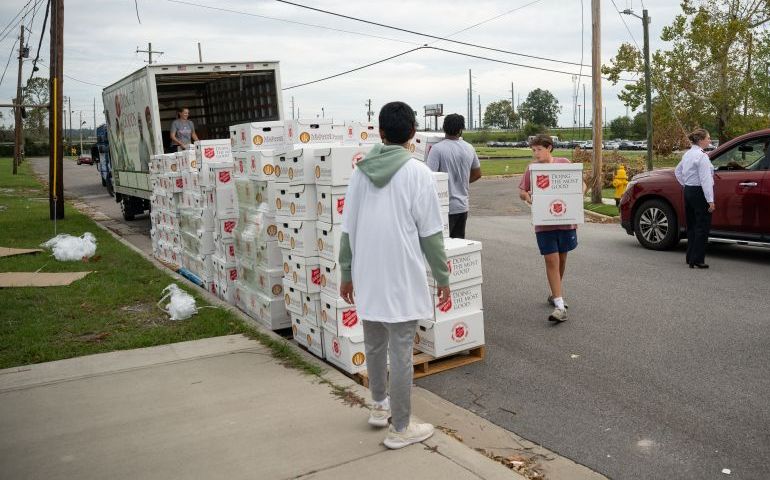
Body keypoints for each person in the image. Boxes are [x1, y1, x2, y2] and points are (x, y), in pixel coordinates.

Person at [339, 101, 451, 450]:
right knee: (401, 351)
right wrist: (443, 278)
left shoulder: (360, 171)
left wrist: (346, 272)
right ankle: (400, 428)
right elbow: (430, 234)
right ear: (413, 135)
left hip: (367, 271)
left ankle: (378, 405)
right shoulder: (418, 174)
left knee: (374, 342)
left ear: (381, 132)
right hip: (401, 272)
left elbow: (348, 228)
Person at [518, 134, 584, 323]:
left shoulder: (564, 163)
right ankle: (560, 306)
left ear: (550, 148)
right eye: (533, 150)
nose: (536, 153)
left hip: (566, 222)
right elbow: (522, 190)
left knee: (561, 259)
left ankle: (555, 293)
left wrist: (580, 192)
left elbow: (580, 184)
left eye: (539, 149)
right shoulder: (532, 169)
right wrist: (526, 196)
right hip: (543, 223)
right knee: (551, 260)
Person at [426, 113, 482, 238]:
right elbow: (477, 174)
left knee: (443, 246)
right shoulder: (469, 148)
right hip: (462, 206)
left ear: (444, 128)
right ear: (461, 130)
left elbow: (429, 177)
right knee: (458, 246)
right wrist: (462, 182)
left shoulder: (437, 149)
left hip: (443, 207)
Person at [675, 128, 715, 269]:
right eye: (708, 138)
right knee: (702, 226)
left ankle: (690, 257)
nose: (709, 140)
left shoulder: (687, 155)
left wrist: (686, 184)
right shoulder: (702, 156)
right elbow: (706, 180)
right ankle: (697, 259)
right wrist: (710, 200)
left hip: (688, 191)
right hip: (699, 193)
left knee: (691, 225)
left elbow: (677, 171)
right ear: (701, 140)